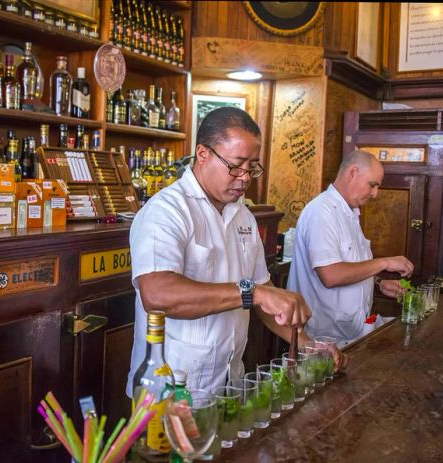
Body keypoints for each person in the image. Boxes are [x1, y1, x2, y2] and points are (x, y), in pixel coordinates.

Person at [126, 107, 344, 396]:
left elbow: (265, 298)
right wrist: (253, 292)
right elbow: (157, 295)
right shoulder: (166, 210)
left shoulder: (243, 216)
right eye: (236, 165)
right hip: (171, 390)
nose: (245, 178)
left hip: (229, 383)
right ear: (202, 154)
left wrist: (306, 343)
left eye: (252, 167)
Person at [287, 149, 414, 347]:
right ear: (353, 173)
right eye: (372, 185)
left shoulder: (351, 213)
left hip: (350, 334)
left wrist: (378, 282)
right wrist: (384, 262)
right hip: (322, 339)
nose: (375, 193)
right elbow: (331, 275)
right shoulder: (322, 211)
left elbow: (351, 265)